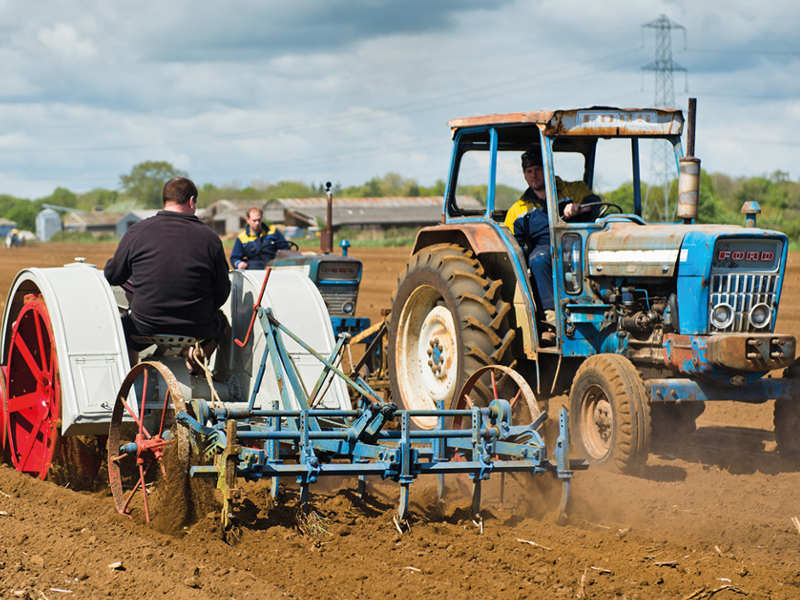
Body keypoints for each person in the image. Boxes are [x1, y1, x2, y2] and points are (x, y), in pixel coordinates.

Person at [104, 177, 231, 375]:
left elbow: (113, 276)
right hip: (197, 325)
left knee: (123, 328)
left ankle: (131, 379)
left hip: (146, 324)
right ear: (191, 201)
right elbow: (222, 291)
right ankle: (196, 367)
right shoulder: (210, 238)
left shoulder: (138, 231)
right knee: (221, 323)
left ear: (165, 201)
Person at [506, 145, 599, 329]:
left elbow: (595, 204)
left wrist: (578, 207)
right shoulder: (518, 209)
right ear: (525, 175)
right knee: (538, 260)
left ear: (547, 169)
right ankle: (552, 316)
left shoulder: (574, 189)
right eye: (529, 171)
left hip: (576, 240)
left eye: (538, 169)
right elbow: (511, 243)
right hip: (543, 246)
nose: (534, 175)